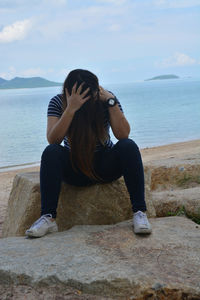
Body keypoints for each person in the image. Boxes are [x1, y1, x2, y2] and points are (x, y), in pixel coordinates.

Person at [25, 69, 152, 238]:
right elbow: (53, 139)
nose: (86, 99)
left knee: (128, 146)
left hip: (104, 166)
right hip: (75, 167)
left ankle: (139, 213)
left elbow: (123, 134)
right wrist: (70, 109)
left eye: (89, 93)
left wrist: (111, 103)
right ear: (68, 91)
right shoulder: (58, 102)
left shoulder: (107, 99)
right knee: (51, 152)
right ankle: (48, 217)